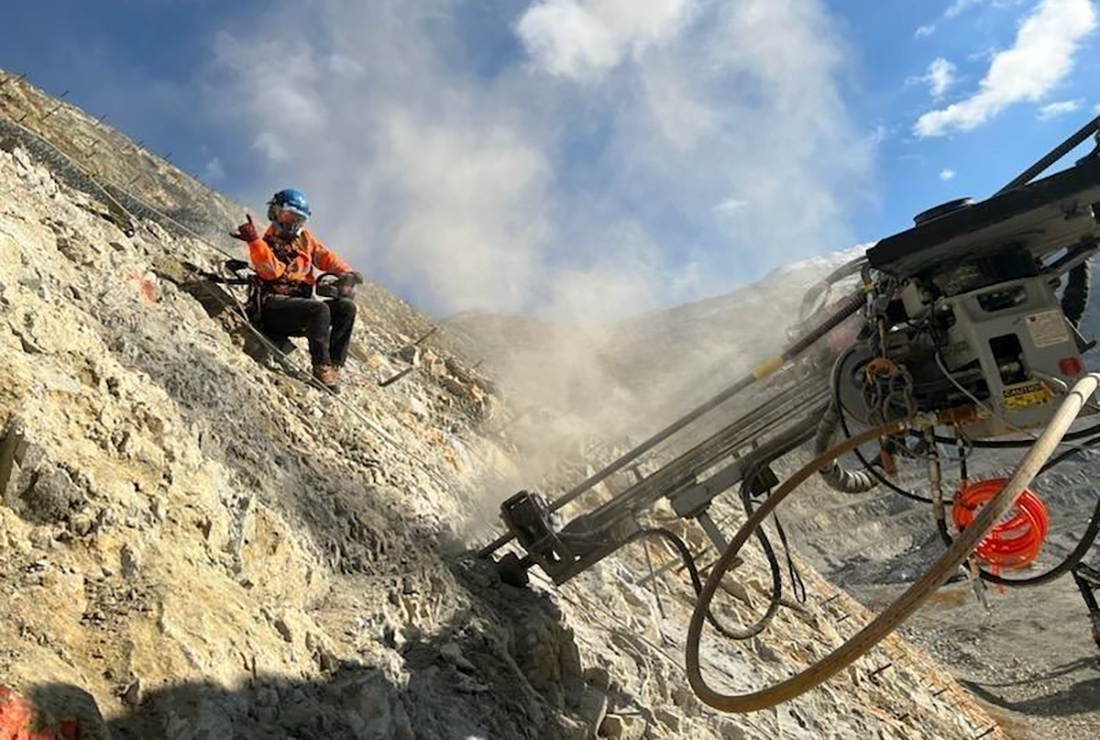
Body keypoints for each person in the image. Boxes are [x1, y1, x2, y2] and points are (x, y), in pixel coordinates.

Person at [231, 188, 363, 390]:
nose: (293, 223)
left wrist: (346, 273)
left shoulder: (305, 240)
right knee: (319, 309)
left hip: (298, 309)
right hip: (272, 309)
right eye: (288, 215)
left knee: (346, 308)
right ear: (275, 212)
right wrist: (254, 242)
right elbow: (271, 272)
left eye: (299, 218)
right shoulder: (266, 242)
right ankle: (321, 369)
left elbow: (325, 257)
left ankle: (334, 366)